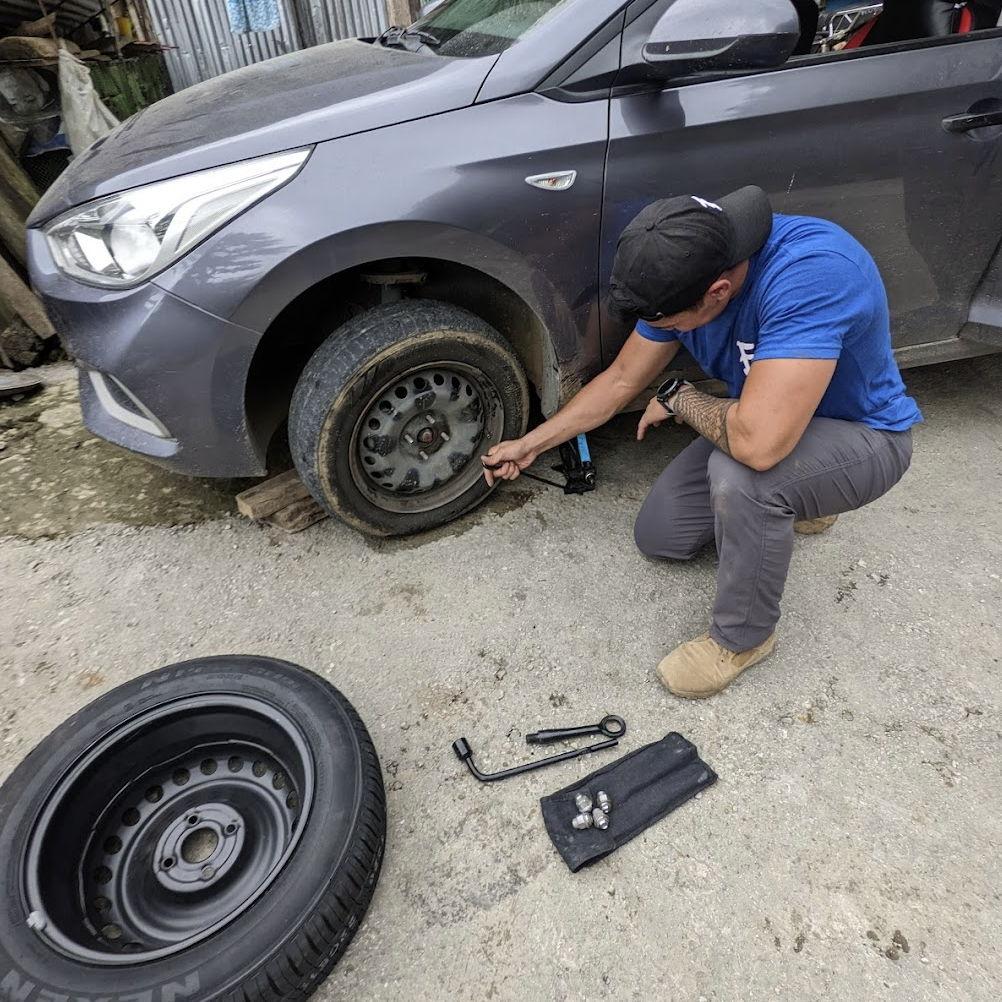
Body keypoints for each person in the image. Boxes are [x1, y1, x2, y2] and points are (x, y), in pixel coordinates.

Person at [482, 186, 922, 699]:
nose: (660, 331)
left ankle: (744, 638)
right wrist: (533, 442)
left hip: (865, 435)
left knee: (744, 477)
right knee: (660, 536)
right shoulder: (683, 257)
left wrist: (678, 397)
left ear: (717, 292)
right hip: (772, 421)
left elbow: (756, 446)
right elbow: (623, 379)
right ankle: (805, 501)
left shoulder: (813, 274)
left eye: (666, 324)